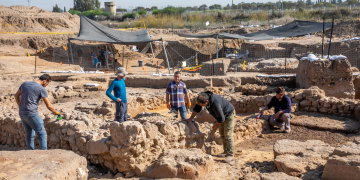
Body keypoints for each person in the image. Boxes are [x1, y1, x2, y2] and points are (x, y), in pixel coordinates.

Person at [184, 91, 236, 163]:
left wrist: (215, 125)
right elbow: (197, 109)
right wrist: (190, 118)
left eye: (203, 105)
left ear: (207, 101)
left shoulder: (215, 104)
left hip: (228, 114)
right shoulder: (202, 98)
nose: (202, 106)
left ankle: (230, 155)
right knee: (222, 134)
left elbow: (221, 118)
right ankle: (226, 151)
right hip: (220, 116)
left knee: (228, 135)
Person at [15, 74, 60, 150]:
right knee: (42, 133)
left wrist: (21, 106)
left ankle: (30, 151)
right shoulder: (41, 89)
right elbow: (48, 105)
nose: (46, 86)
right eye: (47, 84)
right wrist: (56, 112)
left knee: (29, 134)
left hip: (22, 113)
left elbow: (16, 96)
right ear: (44, 81)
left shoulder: (25, 84)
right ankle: (43, 153)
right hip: (32, 114)